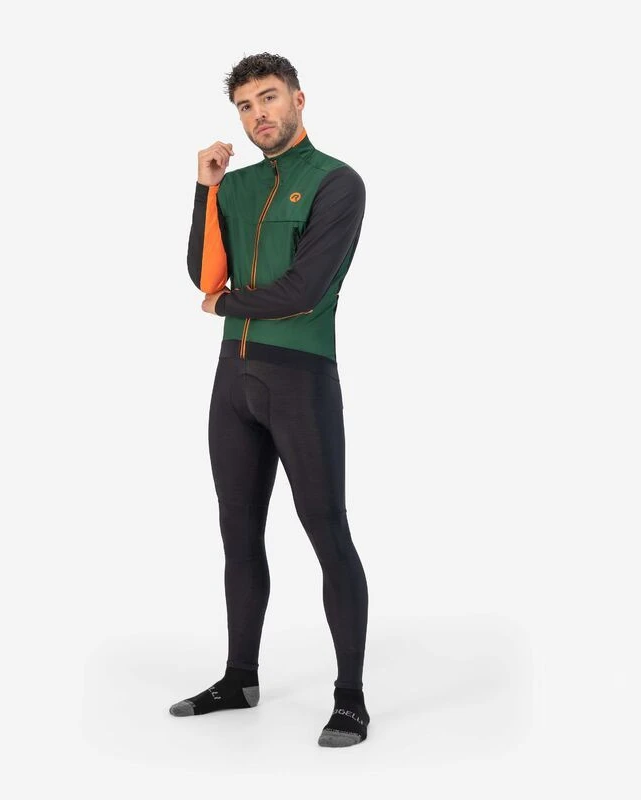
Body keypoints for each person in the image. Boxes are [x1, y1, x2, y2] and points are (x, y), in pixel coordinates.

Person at [170, 52, 370, 748]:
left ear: (298, 99)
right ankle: (240, 678)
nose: (259, 114)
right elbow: (203, 272)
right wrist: (205, 190)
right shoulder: (236, 185)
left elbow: (305, 290)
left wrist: (226, 305)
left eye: (269, 98)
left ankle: (350, 699)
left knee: (328, 533)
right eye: (246, 106)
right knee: (238, 533)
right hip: (234, 383)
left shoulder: (337, 183)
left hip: (301, 379)